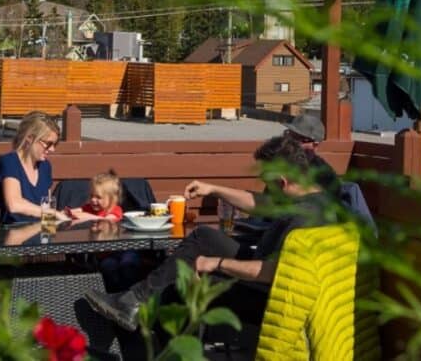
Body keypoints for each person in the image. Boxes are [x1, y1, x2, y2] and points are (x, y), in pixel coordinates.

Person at [85, 136, 334, 332]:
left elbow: (275, 272)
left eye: (267, 183)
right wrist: (212, 188)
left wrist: (217, 263)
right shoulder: (308, 198)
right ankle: (134, 300)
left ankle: (154, 334)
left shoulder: (305, 219)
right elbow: (260, 204)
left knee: (182, 289)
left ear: (281, 183)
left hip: (272, 297)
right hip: (266, 272)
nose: (264, 189)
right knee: (204, 236)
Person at [0, 111, 69, 223]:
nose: (52, 149)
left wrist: (49, 235)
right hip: (13, 234)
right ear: (30, 138)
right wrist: (53, 213)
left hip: (38, 233)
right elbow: (14, 204)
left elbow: (47, 210)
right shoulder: (10, 162)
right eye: (48, 143)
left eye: (55, 145)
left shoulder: (45, 166)